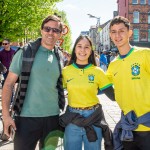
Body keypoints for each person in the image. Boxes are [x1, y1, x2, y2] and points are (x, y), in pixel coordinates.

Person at [2, 15, 65, 150]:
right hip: (26, 119)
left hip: (52, 119)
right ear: (41, 30)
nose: (51, 33)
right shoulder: (25, 52)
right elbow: (8, 85)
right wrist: (6, 116)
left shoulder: (59, 56)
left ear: (59, 34)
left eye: (55, 30)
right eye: (47, 29)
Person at [60, 35, 115, 150]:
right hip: (72, 119)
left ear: (91, 51)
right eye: (79, 46)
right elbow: (54, 93)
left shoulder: (98, 72)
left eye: (86, 47)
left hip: (93, 118)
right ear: (74, 49)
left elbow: (114, 96)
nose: (83, 50)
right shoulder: (65, 71)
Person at [107, 16, 150, 150]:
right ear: (110, 35)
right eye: (113, 32)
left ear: (130, 32)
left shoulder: (144, 54)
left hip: (147, 126)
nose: (117, 35)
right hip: (127, 129)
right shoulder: (113, 65)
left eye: (121, 31)